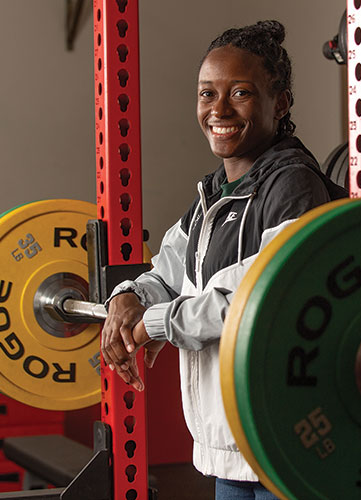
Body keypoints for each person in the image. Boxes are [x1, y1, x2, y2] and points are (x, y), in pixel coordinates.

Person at [101, 20, 347, 500]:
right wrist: (126, 299)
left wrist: (152, 325)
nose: (219, 110)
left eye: (239, 93)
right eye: (206, 94)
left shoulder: (294, 186)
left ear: (281, 102)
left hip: (285, 440)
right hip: (227, 446)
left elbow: (256, 296)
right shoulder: (213, 194)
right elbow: (168, 271)